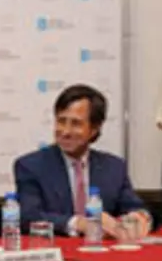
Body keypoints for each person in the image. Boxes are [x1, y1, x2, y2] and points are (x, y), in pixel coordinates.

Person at [13, 84, 150, 238]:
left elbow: (135, 208)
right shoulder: (31, 166)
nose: (65, 131)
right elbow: (28, 217)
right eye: (61, 121)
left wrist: (138, 217)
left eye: (76, 124)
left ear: (94, 129)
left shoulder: (114, 167)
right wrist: (79, 223)